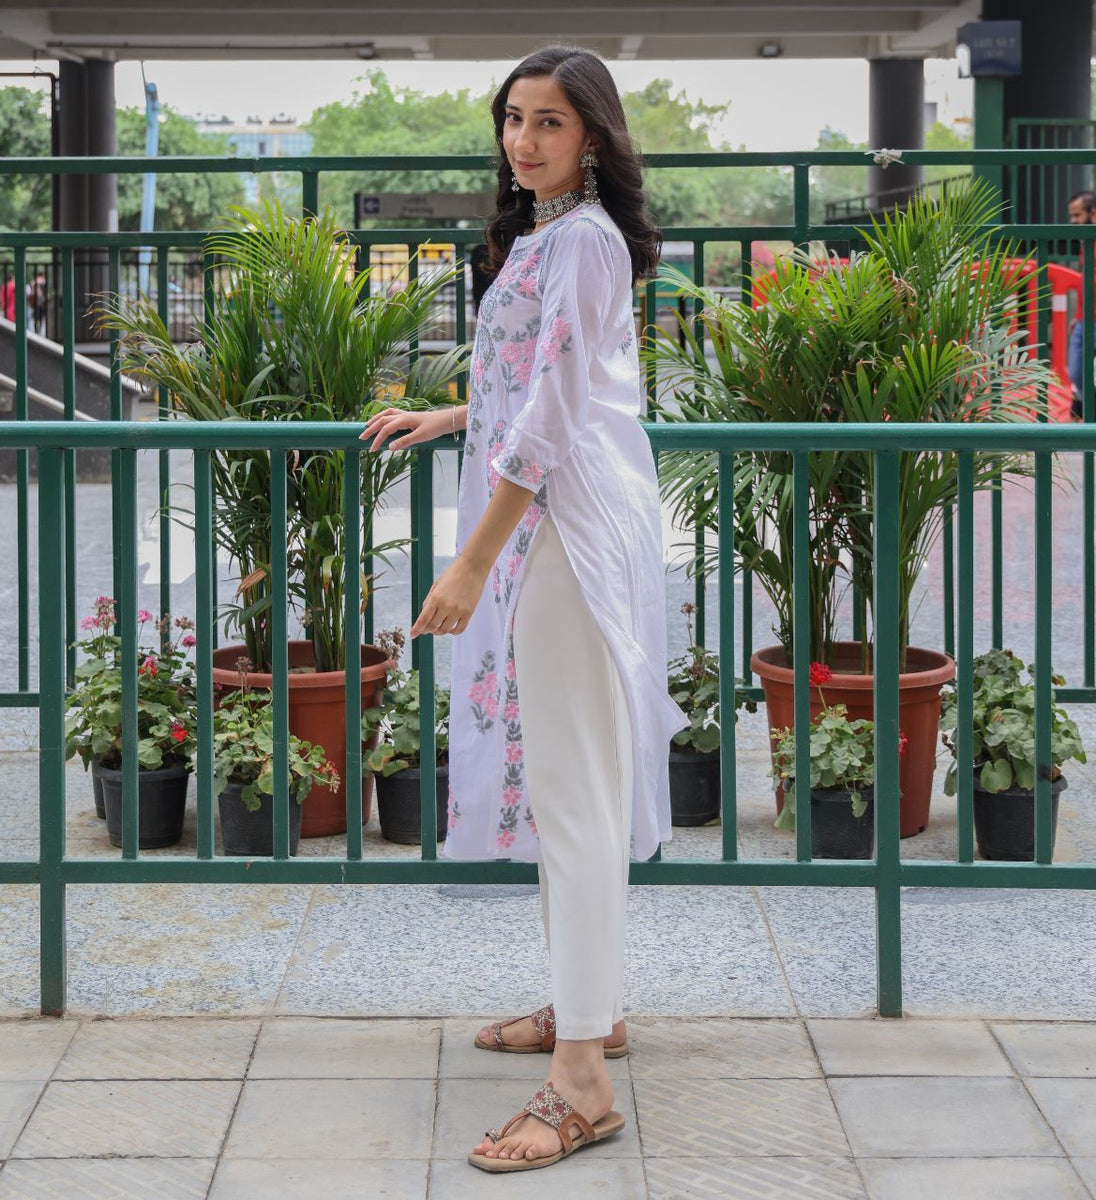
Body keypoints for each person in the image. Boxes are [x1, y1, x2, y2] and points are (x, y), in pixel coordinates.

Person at [360, 45, 685, 1174]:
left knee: (576, 796)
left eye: (549, 121)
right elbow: (541, 388)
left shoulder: (585, 242)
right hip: (542, 528)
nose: (523, 140)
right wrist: (448, 420)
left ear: (593, 134)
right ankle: (581, 1010)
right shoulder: (551, 237)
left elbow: (549, 429)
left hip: (566, 538)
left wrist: (463, 570)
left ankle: (583, 1081)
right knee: (561, 789)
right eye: (512, 118)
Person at [1066, 190, 1096, 420]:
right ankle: (1085, 406)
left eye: (1077, 215)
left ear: (1093, 213)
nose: (1073, 221)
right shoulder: (1086, 242)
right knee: (1076, 371)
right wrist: (1077, 315)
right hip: (1086, 318)